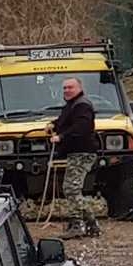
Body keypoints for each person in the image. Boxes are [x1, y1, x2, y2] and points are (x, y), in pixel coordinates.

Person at [49, 76, 100, 237]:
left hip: (82, 153)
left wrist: (61, 137)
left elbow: (81, 127)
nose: (67, 90)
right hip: (76, 152)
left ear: (79, 88)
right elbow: (67, 121)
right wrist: (53, 125)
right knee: (72, 189)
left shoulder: (82, 105)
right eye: (64, 88)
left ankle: (77, 225)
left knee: (71, 189)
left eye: (70, 87)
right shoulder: (72, 105)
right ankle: (91, 224)